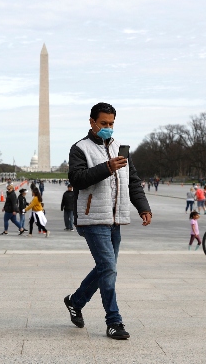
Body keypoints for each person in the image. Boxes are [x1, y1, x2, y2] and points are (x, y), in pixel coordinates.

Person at [64, 102, 152, 340]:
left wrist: (143, 207)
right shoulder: (80, 148)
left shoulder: (119, 149)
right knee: (109, 269)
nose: (108, 128)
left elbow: (133, 181)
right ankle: (114, 321)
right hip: (93, 219)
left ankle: (75, 301)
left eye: (111, 124)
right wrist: (106, 167)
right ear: (92, 122)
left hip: (115, 219)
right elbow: (77, 179)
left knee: (105, 268)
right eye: (104, 123)